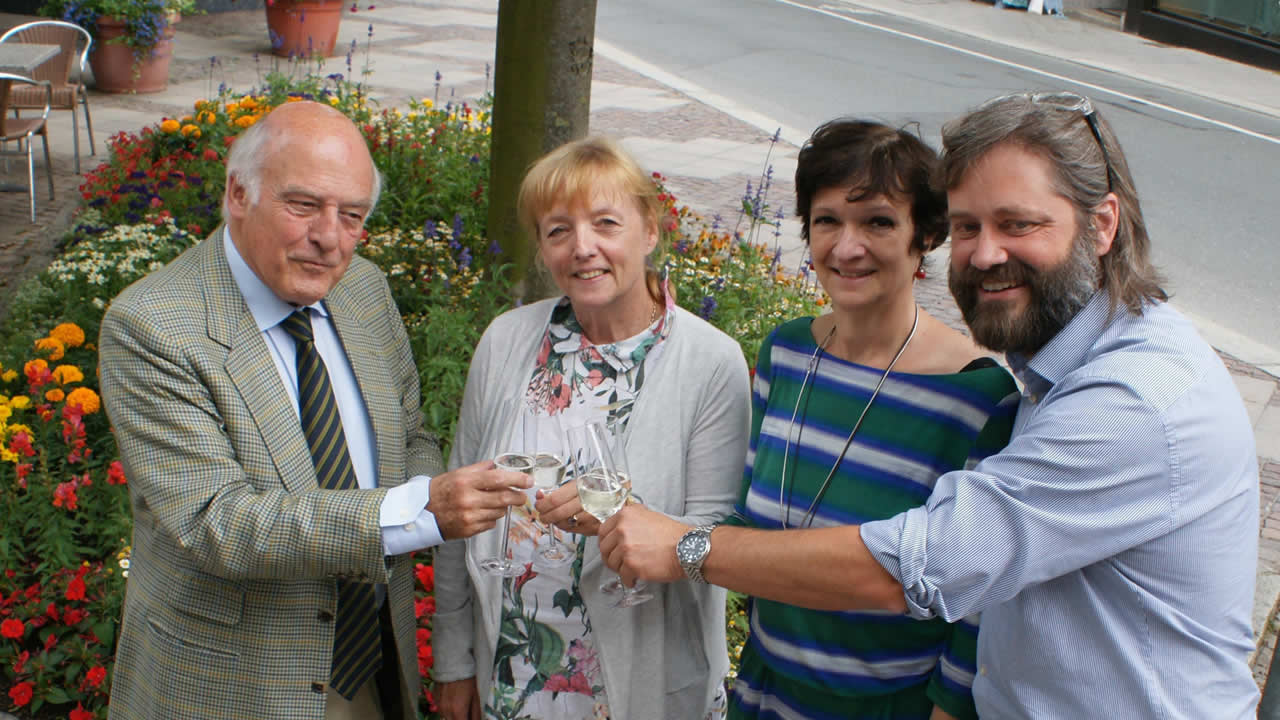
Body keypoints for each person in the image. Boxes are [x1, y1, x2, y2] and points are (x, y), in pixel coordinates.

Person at [600, 92, 1261, 719]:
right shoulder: (1060, 367)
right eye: (970, 226)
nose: (985, 254)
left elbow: (923, 566)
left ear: (1103, 224)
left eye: (1018, 224)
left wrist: (688, 548)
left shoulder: (1133, 400)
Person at [99, 101, 531, 720]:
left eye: (351, 216)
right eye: (303, 205)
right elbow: (217, 523)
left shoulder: (363, 289)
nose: (329, 238)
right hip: (233, 684)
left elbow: (408, 435)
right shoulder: (153, 327)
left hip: (371, 662)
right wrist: (419, 508)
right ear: (238, 193)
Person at [603, 119, 1015, 719]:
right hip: (766, 690)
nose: (847, 247)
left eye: (877, 221)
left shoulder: (976, 398)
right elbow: (750, 518)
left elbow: (980, 610)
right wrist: (631, 522)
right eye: (827, 221)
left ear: (924, 236)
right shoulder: (788, 353)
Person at [432, 136, 751, 720]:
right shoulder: (506, 341)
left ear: (649, 230)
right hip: (513, 675)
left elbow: (718, 537)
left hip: (642, 674)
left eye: (606, 223)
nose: (583, 248)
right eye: (558, 231)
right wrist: (454, 662)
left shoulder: (710, 360)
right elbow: (459, 512)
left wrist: (630, 518)